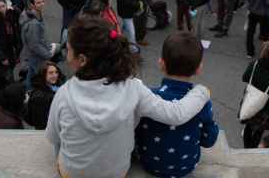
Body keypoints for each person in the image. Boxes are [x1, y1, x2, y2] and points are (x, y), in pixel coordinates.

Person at [46, 16, 210, 178]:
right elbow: (175, 114)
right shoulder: (133, 87)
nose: (66, 54)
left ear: (81, 60)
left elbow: (54, 137)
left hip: (73, 174)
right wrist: (201, 92)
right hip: (117, 173)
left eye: (68, 49)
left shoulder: (64, 94)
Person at [136, 31, 219, 177]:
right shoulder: (202, 103)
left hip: (149, 163)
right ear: (199, 68)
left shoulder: (148, 96)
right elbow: (209, 140)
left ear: (161, 63)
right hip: (185, 166)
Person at [241, 42, 269, 148]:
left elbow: (245, 78)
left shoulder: (254, 64)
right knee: (259, 129)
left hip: (250, 98)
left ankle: (246, 147)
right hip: (265, 105)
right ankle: (252, 149)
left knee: (248, 125)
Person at [19, 0, 57, 91]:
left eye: (43, 1)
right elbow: (34, 45)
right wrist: (48, 54)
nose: (42, 4)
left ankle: (28, 90)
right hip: (37, 56)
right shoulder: (33, 24)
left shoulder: (35, 15)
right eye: (38, 3)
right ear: (32, 5)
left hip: (34, 55)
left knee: (32, 75)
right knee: (39, 77)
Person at [25, 61, 65, 130]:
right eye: (51, 73)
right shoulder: (39, 96)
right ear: (43, 75)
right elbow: (41, 123)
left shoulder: (54, 88)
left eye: (56, 72)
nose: (55, 75)